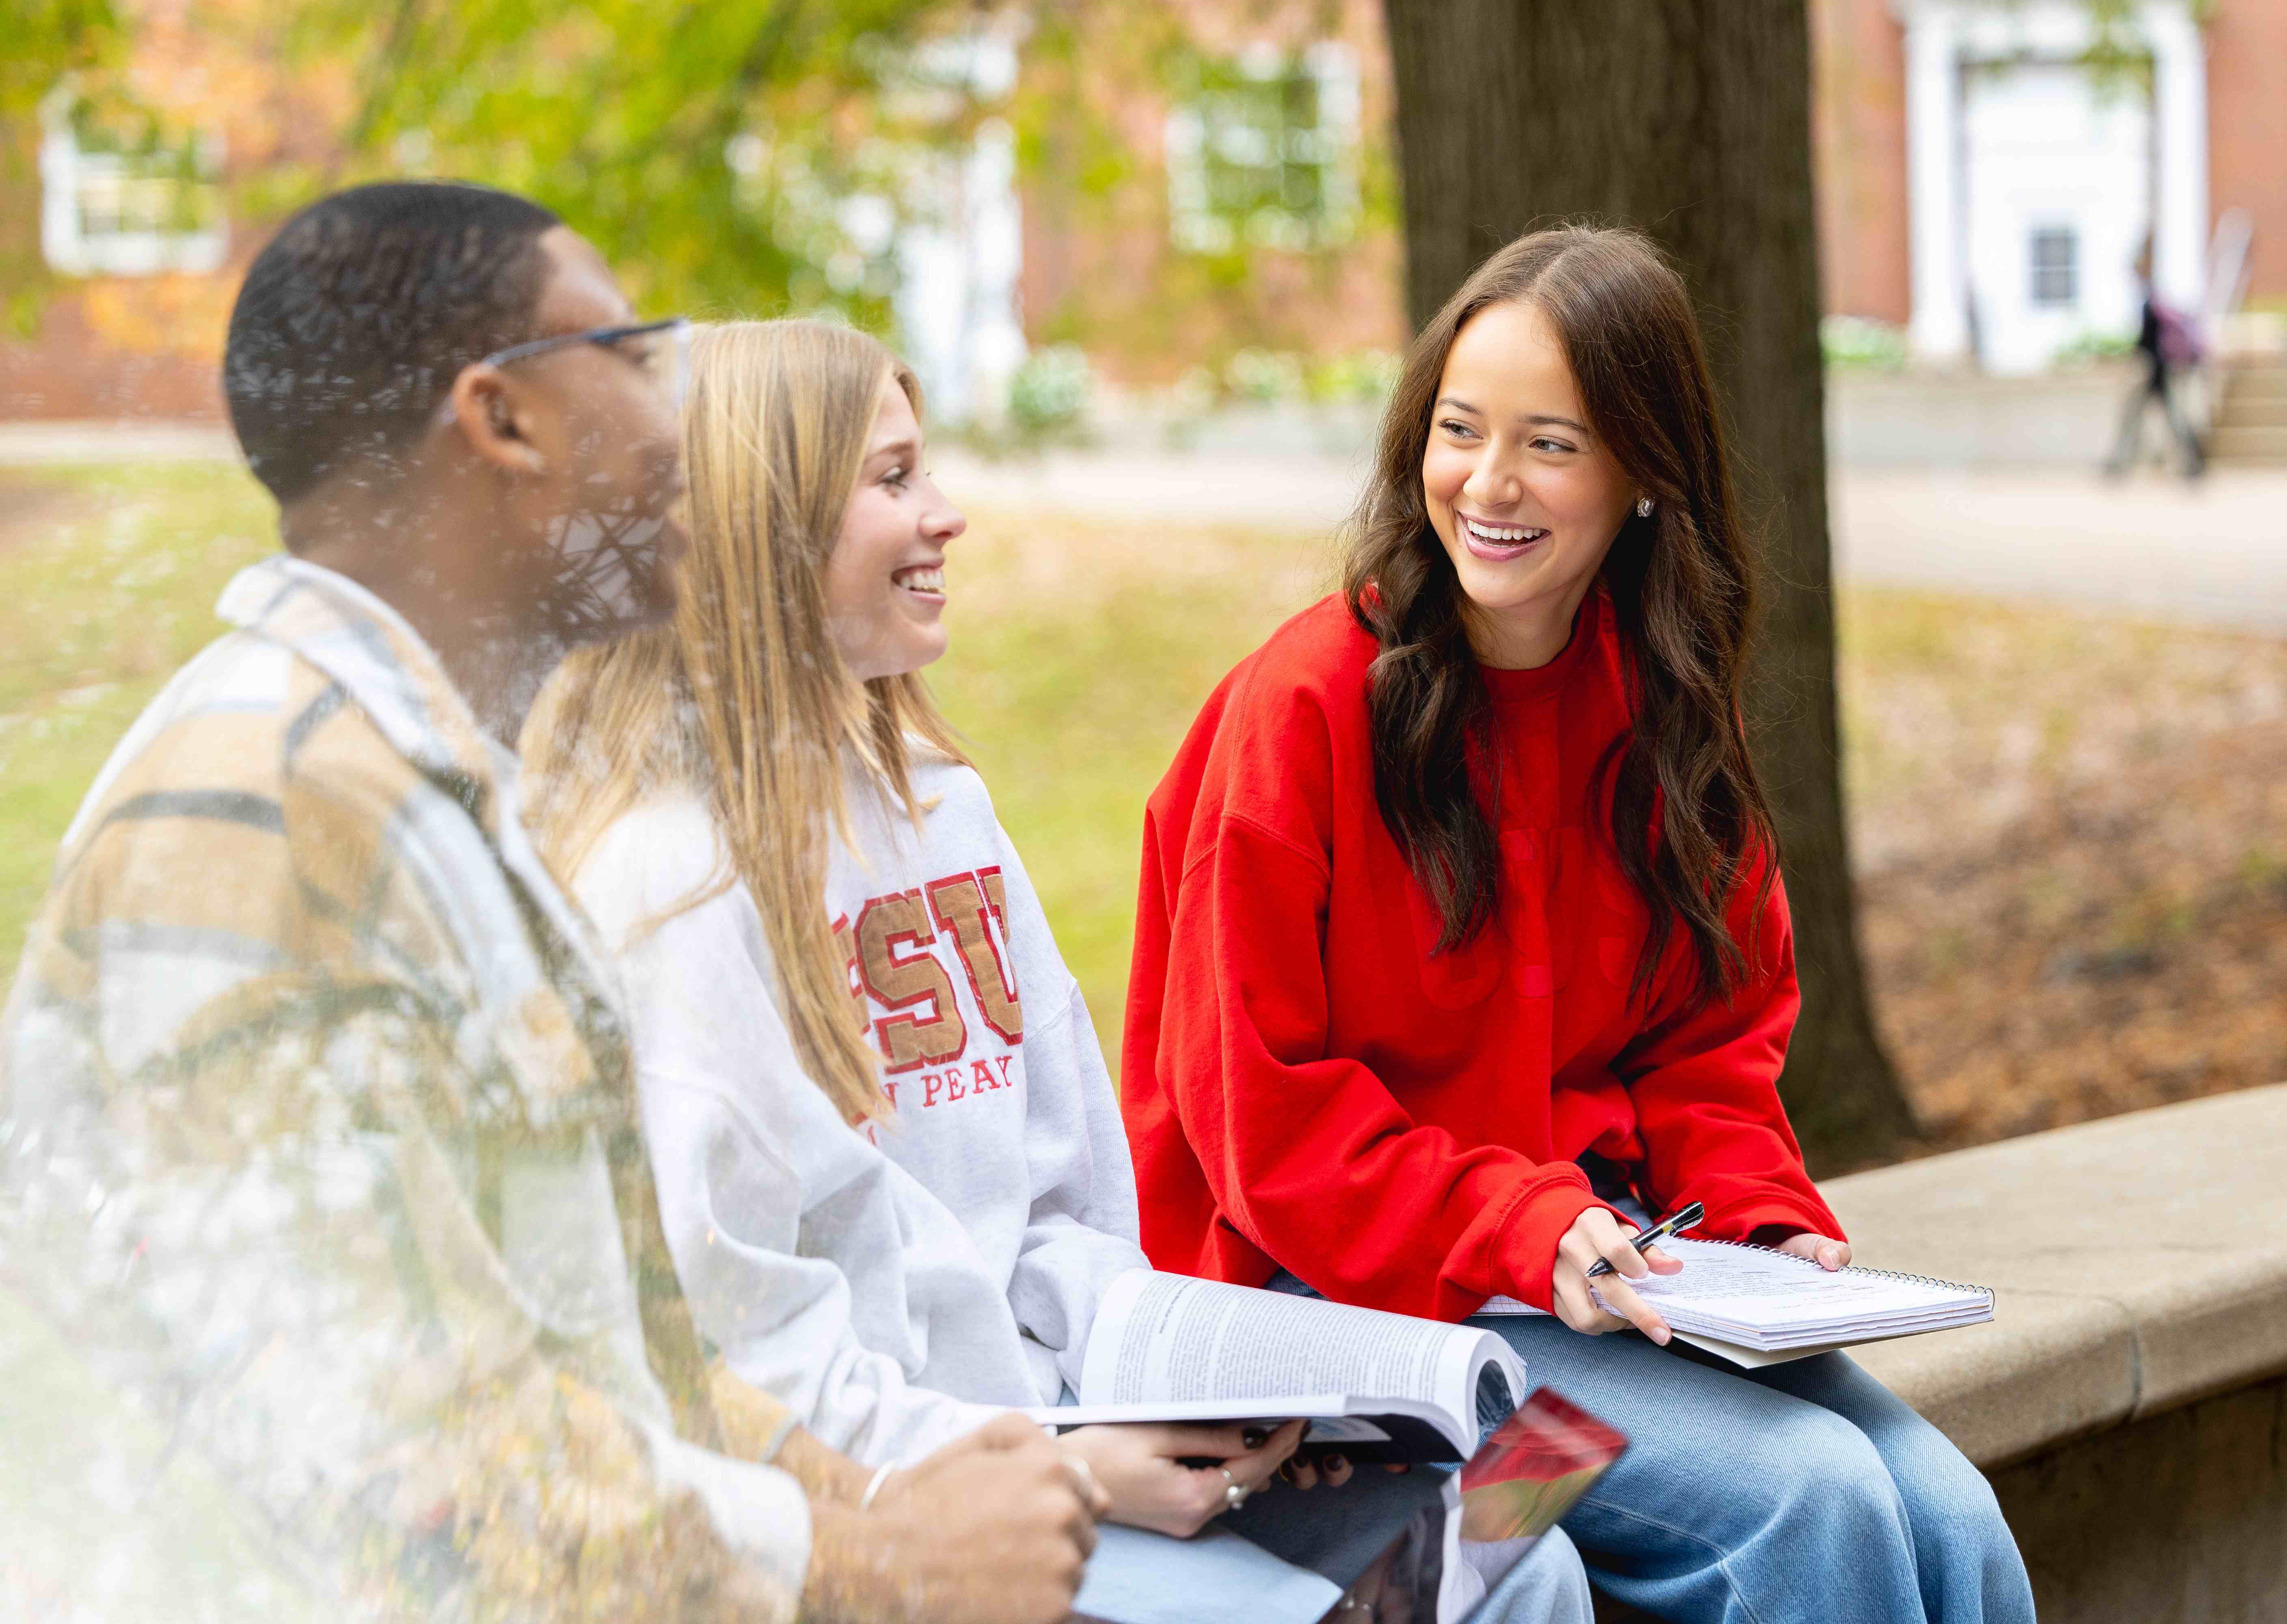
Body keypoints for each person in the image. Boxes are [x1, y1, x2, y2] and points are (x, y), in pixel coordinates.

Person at [0, 181, 1098, 1624]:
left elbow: (604, 1351)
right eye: (633, 359)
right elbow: (405, 1464)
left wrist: (895, 1493)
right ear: (502, 420)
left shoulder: (435, 790)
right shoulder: (264, 819)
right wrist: (879, 1566)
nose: (679, 432)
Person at [519, 317, 1594, 1620]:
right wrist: (1063, 1473)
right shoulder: (669, 882)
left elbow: (1066, 1211)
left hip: (1102, 1420)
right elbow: (736, 1353)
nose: (947, 515)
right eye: (894, 479)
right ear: (768, 529)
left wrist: (1222, 1393)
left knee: (1523, 1507)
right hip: (919, 1514)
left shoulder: (937, 808)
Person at [1124, 226, 2037, 1624]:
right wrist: (1523, 1223)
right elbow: (1261, 1121)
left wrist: (1761, 1218)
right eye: (1458, 430)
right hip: (1363, 1338)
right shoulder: (1304, 711)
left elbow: (1710, 1040)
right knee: (1813, 1501)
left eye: (1550, 444)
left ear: (1643, 476)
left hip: (1596, 1290)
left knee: (1950, 1509)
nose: (1488, 485)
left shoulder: (1661, 712)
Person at [2105, 244, 2206, 479]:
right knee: (2160, 416)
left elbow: (2146, 340)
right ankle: (2192, 462)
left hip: (2157, 369)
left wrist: (2131, 357)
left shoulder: (2150, 301)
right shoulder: (2155, 298)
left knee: (2144, 416)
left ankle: (2121, 464)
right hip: (2161, 368)